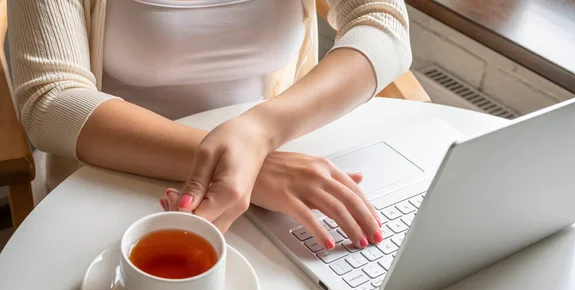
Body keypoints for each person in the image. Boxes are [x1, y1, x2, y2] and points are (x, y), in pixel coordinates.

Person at [8, 0, 412, 250]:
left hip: (271, 168)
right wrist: (244, 163)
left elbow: (384, 23)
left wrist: (259, 133)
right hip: (111, 178)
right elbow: (51, 99)